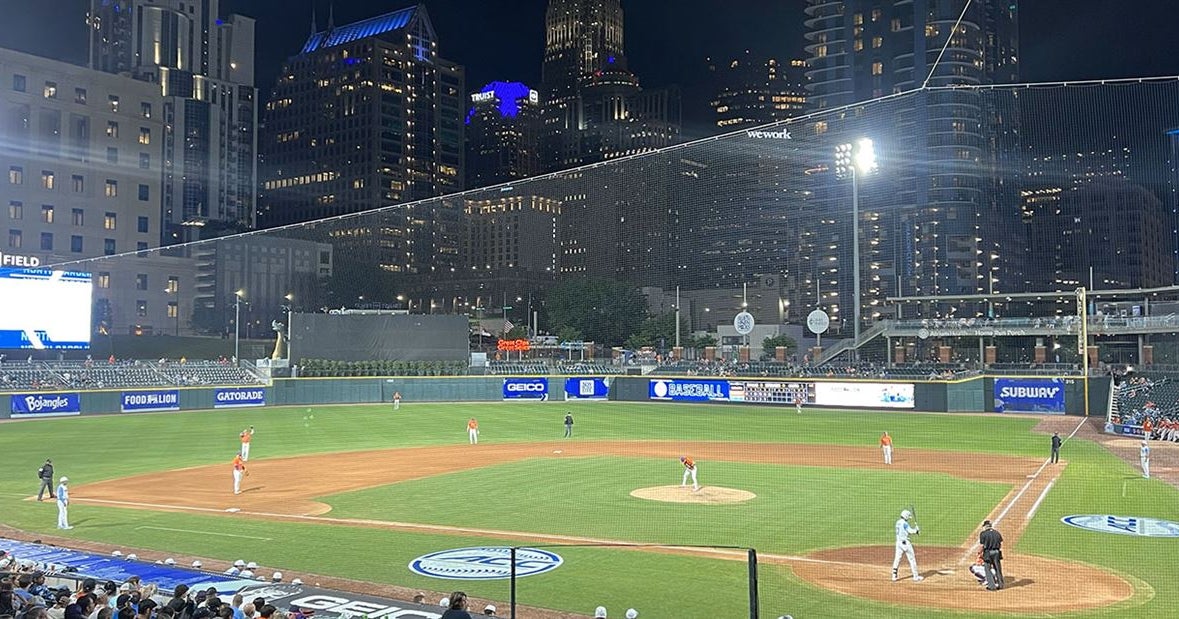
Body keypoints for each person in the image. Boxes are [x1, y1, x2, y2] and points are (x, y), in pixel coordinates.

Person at [891, 509, 921, 582]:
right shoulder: (905, 523)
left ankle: (894, 576)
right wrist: (916, 531)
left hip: (898, 543)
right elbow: (910, 531)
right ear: (906, 516)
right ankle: (915, 577)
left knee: (897, 559)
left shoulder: (897, 522)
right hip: (906, 544)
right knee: (912, 559)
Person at [979, 519, 1004, 590]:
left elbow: (982, 545)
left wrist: (980, 552)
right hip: (997, 552)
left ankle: (991, 586)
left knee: (987, 568)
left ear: (985, 526)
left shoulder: (983, 534)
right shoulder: (997, 533)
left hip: (988, 553)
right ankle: (1001, 584)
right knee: (998, 568)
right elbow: (1000, 543)